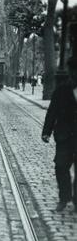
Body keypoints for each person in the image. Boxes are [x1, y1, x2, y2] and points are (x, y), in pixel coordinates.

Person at [41, 56, 77, 212]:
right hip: (65, 137)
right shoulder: (62, 89)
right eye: (72, 71)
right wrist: (46, 131)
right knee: (61, 166)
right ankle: (64, 197)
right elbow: (52, 111)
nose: (74, 74)